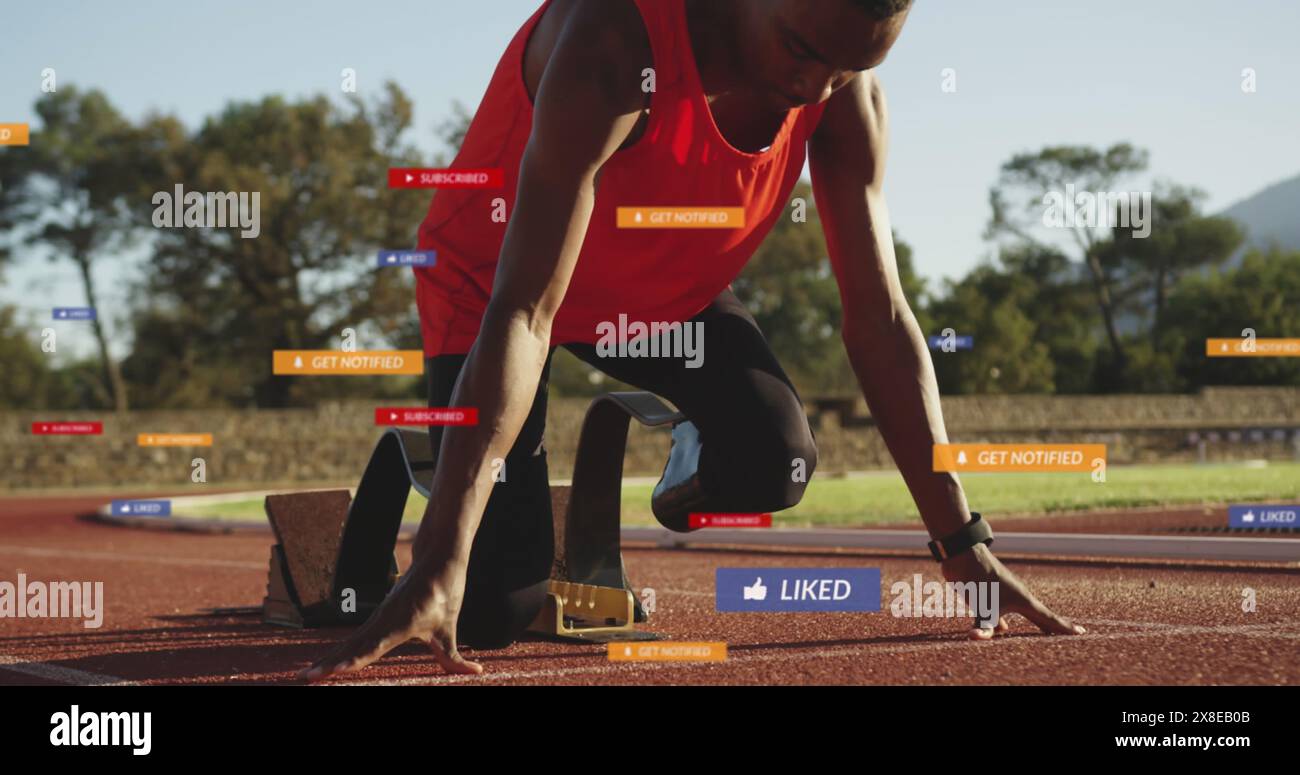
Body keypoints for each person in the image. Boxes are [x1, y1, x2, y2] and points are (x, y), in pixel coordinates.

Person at [301, 0, 1083, 682]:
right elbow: (525, 312)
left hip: (661, 297)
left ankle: (682, 446)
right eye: (804, 51)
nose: (815, 88)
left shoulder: (840, 91)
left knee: (775, 461)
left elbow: (878, 316)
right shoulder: (613, 43)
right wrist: (439, 555)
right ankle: (418, 455)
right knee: (491, 606)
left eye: (852, 66)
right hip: (495, 288)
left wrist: (960, 538)